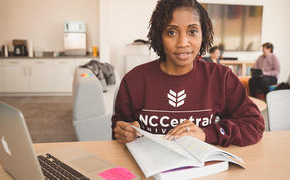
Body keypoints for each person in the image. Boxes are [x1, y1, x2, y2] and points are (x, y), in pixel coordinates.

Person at [111, 0, 264, 147]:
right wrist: (124, 132)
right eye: (171, 32)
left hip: (204, 169)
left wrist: (207, 134)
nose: (183, 42)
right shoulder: (134, 80)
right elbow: (118, 130)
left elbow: (253, 124)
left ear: (203, 34)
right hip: (148, 169)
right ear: (159, 36)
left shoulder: (221, 77)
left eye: (192, 31)